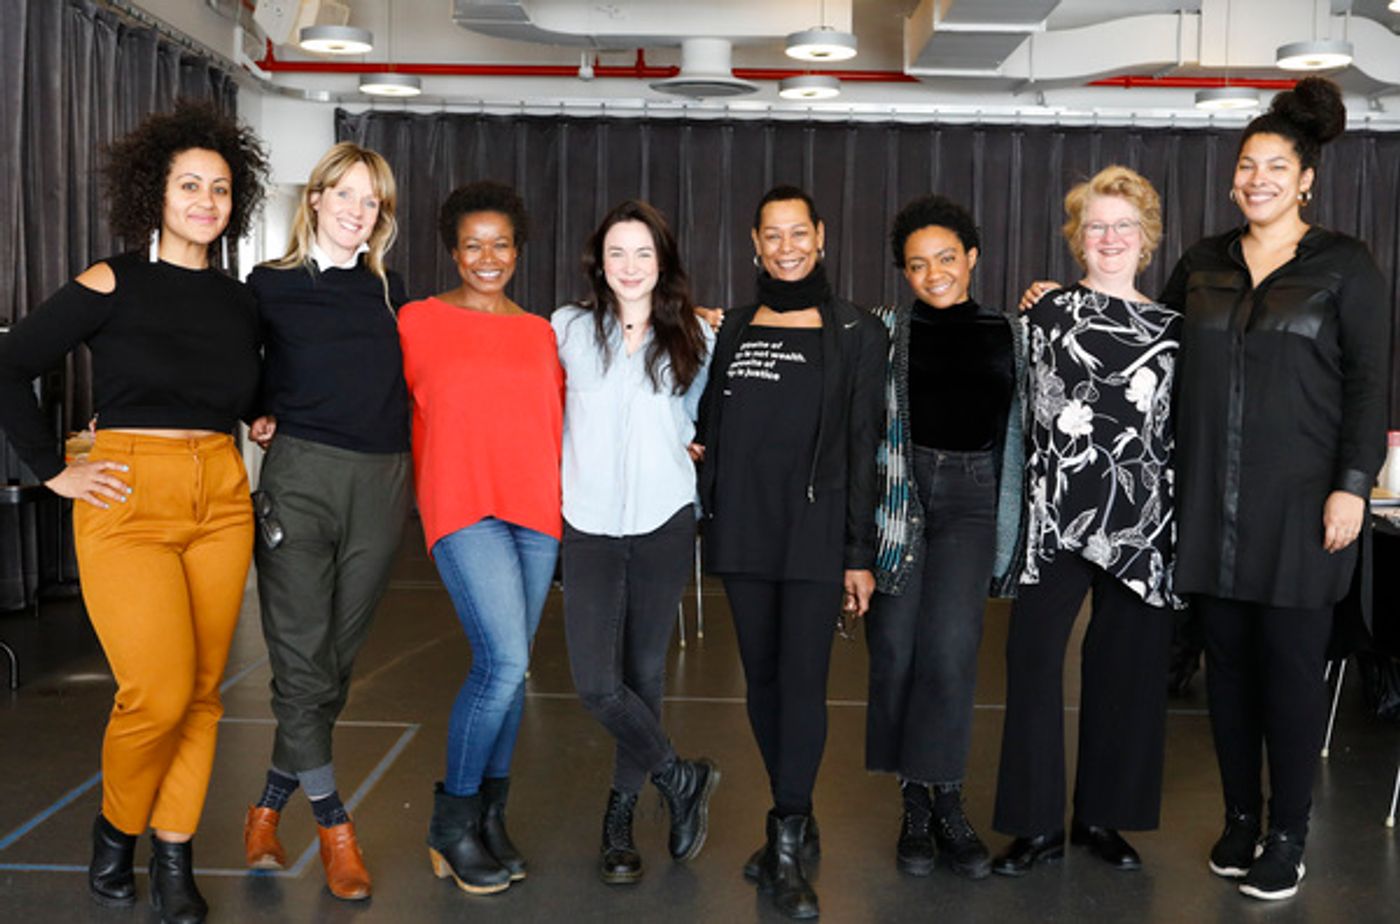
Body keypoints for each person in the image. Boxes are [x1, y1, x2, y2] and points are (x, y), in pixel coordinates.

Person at [0, 100, 267, 924]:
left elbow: (245, 396)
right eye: (190, 186)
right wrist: (53, 472)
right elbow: (9, 367)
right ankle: (118, 829)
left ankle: (175, 854)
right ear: (157, 193)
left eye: (220, 190)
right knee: (155, 688)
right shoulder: (109, 280)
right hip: (127, 495)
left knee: (204, 693)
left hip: (220, 494)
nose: (205, 202)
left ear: (235, 204)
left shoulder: (239, 301)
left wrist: (264, 414)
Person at [1161, 77, 1388, 902]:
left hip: (1302, 507)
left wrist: (1351, 488)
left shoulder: (1344, 266)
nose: (1256, 178)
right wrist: (1069, 306)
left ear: (1305, 180)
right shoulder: (1203, 263)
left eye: (1274, 166)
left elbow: (1368, 384)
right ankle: (1241, 820)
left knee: (1290, 674)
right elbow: (1147, 353)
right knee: (1227, 672)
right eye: (1246, 164)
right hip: (1210, 506)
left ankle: (1288, 831)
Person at [696, 185, 886, 920]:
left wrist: (857, 551)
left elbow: (864, 448)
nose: (785, 247)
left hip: (813, 533)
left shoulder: (857, 331)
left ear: (821, 237)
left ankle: (785, 831)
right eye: (771, 236)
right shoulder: (733, 328)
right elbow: (706, 417)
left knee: (803, 682)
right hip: (744, 528)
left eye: (797, 233)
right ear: (755, 243)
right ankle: (793, 816)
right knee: (762, 680)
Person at [992, 165, 1180, 879]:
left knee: (1124, 672)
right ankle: (1036, 825)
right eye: (1095, 226)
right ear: (1077, 238)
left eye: (1123, 226)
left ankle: (1102, 817)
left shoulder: (1173, 329)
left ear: (1146, 239)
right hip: (1055, 518)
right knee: (1033, 666)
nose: (1109, 237)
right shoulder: (1045, 313)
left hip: (1138, 525)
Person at [239, 142, 410, 901]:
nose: (356, 211)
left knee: (332, 664)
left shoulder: (390, 292)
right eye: (344, 194)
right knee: (302, 659)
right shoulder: (268, 286)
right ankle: (334, 826)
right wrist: (253, 410)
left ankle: (263, 811)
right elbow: (234, 365)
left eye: (370, 202)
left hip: (382, 481)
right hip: (301, 479)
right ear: (314, 199)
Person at [398, 181, 563, 896]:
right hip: (463, 508)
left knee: (515, 671)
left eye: (500, 244)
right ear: (453, 250)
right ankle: (451, 825)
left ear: (518, 250)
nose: (487, 257)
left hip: (536, 513)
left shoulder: (541, 331)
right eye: (473, 245)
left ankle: (491, 818)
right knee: (499, 663)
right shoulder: (414, 321)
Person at [553, 199, 719, 885]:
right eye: (617, 253)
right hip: (587, 524)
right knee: (597, 683)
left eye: (643, 254)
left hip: (663, 521)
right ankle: (680, 777)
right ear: (599, 261)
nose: (629, 266)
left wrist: (693, 447)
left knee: (643, 676)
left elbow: (693, 421)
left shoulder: (696, 337)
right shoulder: (565, 328)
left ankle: (619, 819)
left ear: (663, 262)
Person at [866, 195, 1025, 880]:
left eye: (947, 258)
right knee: (896, 647)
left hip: (971, 498)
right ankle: (913, 800)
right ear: (904, 271)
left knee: (953, 651)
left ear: (973, 258)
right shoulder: (883, 332)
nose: (934, 274)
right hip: (901, 498)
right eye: (918, 264)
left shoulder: (1011, 332)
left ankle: (948, 800)